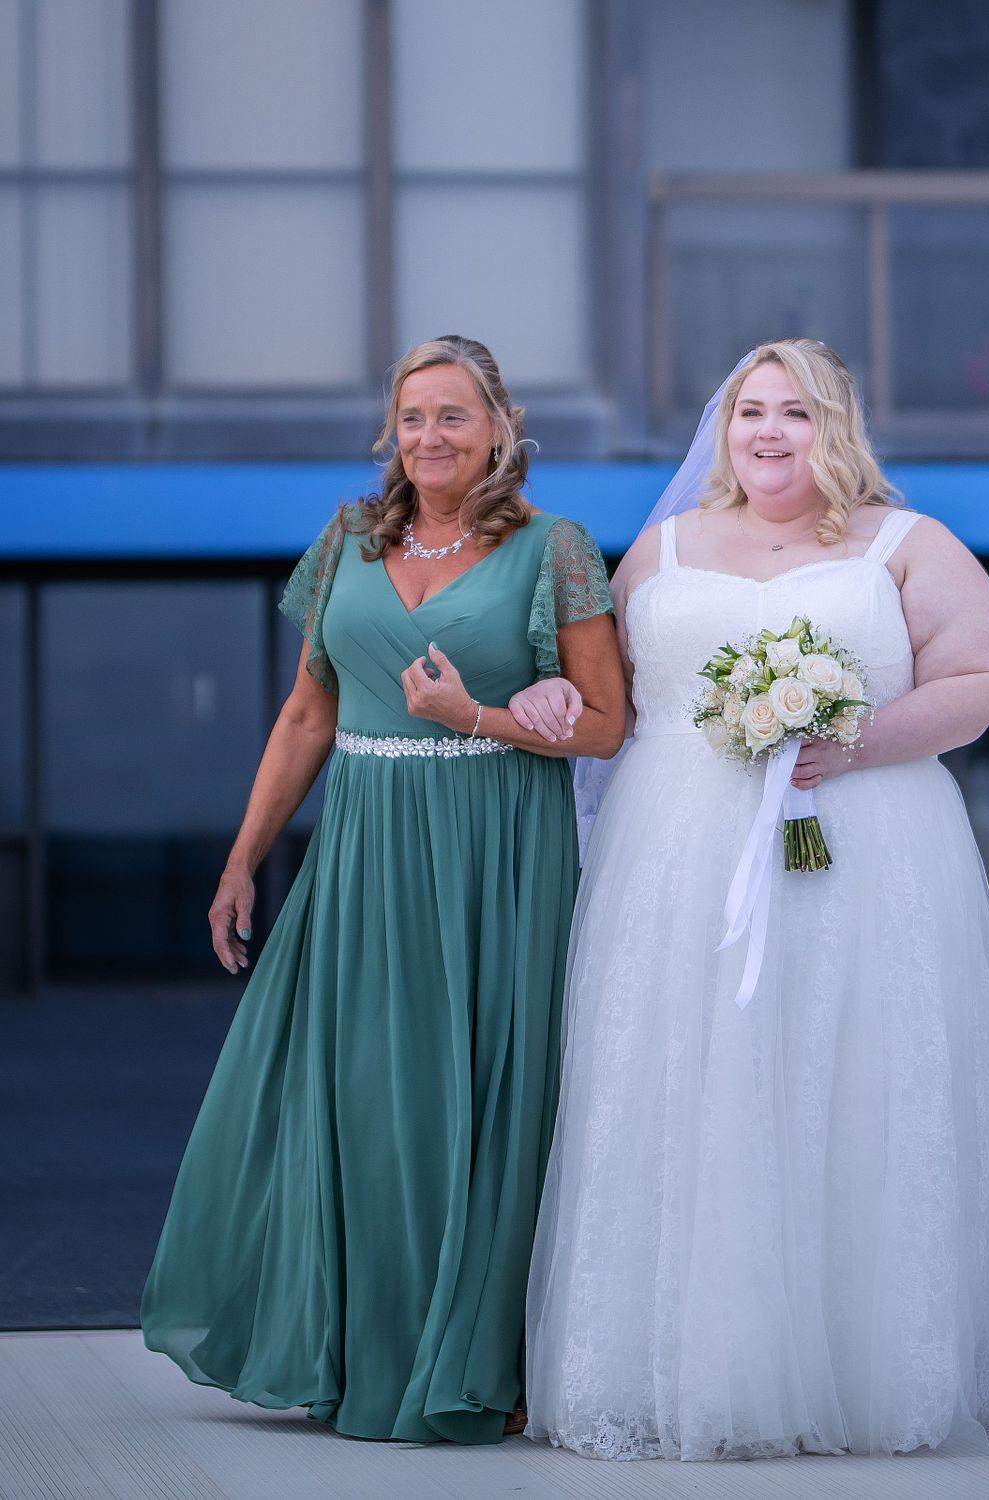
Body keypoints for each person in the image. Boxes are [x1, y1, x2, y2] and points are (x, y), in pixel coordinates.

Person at [516, 339, 989, 1460]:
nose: (767, 433)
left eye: (795, 413)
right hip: (678, 858)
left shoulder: (908, 545)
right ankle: (689, 1369)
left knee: (849, 1082)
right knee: (688, 1083)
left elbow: (979, 686)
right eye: (751, 411)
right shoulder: (660, 549)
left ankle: (854, 1374)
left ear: (833, 428)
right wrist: (554, 686)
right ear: (724, 427)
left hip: (865, 849)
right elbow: (608, 693)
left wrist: (853, 743)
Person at [141, 335, 625, 1444]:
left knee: (486, 1100)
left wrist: (486, 718)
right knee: (357, 1097)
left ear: (498, 430)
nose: (431, 438)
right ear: (390, 433)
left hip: (498, 852)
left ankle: (472, 1369)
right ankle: (355, 1354)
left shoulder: (556, 550)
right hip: (362, 847)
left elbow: (609, 722)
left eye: (454, 416)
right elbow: (309, 713)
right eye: (412, 419)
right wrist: (242, 858)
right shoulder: (348, 541)